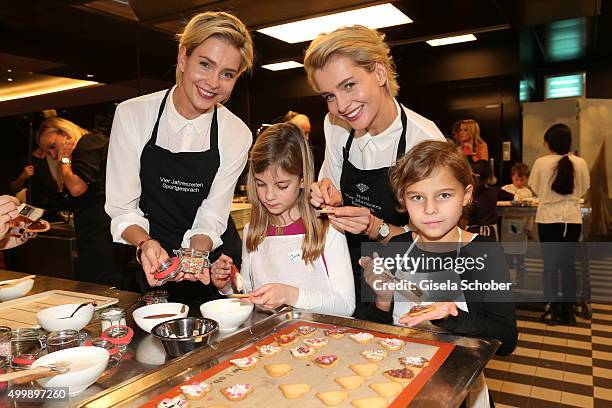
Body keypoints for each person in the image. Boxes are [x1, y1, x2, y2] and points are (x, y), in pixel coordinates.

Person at [105, 11, 254, 307]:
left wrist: (194, 257)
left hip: (206, 267)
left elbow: (212, 216)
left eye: (227, 74)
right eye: (205, 64)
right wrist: (146, 244)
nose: (213, 82)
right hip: (148, 261)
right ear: (183, 58)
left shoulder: (236, 133)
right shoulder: (133, 114)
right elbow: (122, 207)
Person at [361, 140, 517, 408]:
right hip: (398, 381)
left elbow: (505, 339)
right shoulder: (397, 247)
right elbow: (373, 328)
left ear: (466, 195)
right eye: (417, 197)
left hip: (460, 390)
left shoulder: (484, 253)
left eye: (444, 195)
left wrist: (450, 316)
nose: (430, 209)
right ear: (403, 199)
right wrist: (382, 300)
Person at [304, 25, 445, 318]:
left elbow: (436, 243)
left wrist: (374, 227)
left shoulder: (424, 142)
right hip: (347, 270)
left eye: (349, 85)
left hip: (403, 281)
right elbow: (331, 186)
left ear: (379, 73)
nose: (341, 106)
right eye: (329, 95)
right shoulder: (336, 126)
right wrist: (327, 195)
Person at [209, 123, 354, 316]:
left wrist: (290, 295)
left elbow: (345, 305)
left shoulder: (327, 229)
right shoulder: (253, 231)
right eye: (261, 184)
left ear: (302, 179)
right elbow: (250, 294)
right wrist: (228, 286)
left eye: (282, 186)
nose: (269, 195)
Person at [37, 117, 126, 286]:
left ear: (65, 134)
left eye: (52, 147)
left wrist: (64, 160)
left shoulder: (87, 144)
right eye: (48, 153)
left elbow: (77, 188)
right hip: (100, 228)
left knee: (101, 284)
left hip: (101, 229)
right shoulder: (90, 145)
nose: (54, 155)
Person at [529, 124, 590, 326]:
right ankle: (568, 312)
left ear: (549, 143)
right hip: (572, 219)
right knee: (569, 266)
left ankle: (551, 311)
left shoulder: (541, 162)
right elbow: (583, 189)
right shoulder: (579, 162)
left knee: (550, 266)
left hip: (548, 218)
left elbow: (536, 188)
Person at [501, 163, 534, 286]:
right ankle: (508, 268)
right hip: (507, 223)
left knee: (520, 248)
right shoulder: (506, 189)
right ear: (511, 177)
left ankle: (520, 266)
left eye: (522, 180)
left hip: (522, 223)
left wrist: (529, 227)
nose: (519, 182)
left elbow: (530, 212)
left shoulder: (527, 192)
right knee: (508, 247)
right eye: (516, 179)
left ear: (526, 179)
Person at [467, 160, 514, 241]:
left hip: (471, 234)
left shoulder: (467, 193)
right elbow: (511, 196)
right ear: (489, 177)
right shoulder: (494, 191)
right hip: (490, 234)